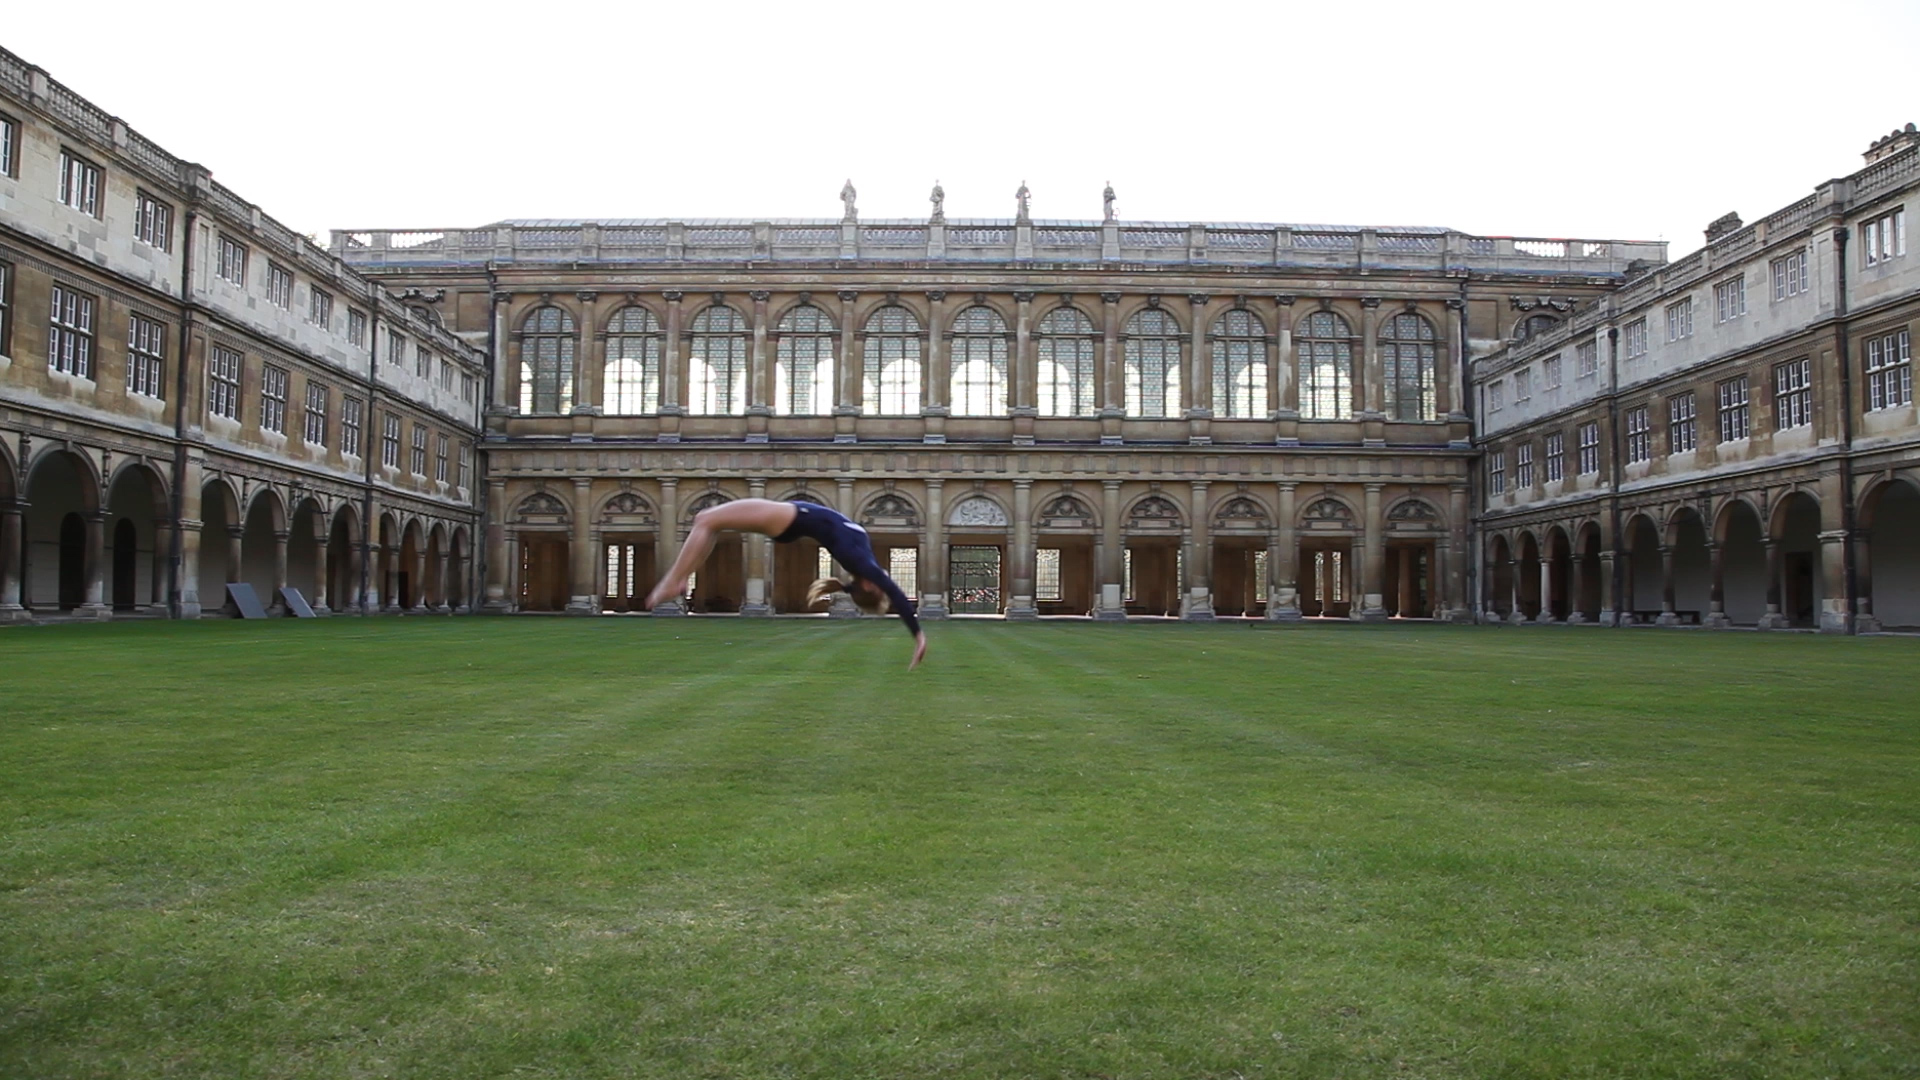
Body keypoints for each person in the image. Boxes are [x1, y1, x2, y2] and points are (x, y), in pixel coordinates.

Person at [644, 498, 928, 669]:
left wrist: (917, 636)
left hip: (791, 518)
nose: (886, 577)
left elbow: (897, 596)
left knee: (706, 519)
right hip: (790, 519)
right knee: (709, 522)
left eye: (882, 585)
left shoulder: (863, 566)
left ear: (870, 587)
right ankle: (679, 580)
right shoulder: (863, 563)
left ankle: (672, 581)